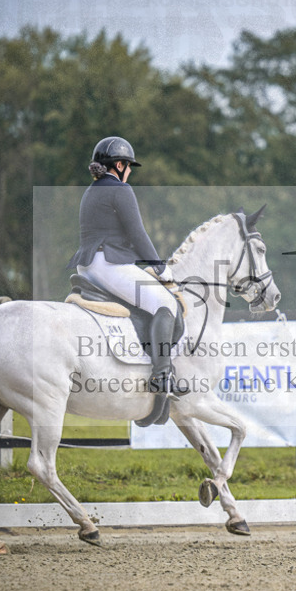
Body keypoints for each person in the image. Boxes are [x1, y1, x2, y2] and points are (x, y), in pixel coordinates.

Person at [66, 136, 187, 396]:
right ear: (119, 165)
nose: (130, 171)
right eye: (129, 166)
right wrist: (160, 268)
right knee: (166, 304)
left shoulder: (91, 190)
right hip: (108, 264)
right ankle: (162, 376)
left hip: (87, 266)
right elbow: (137, 234)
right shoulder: (121, 190)